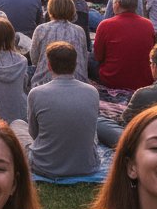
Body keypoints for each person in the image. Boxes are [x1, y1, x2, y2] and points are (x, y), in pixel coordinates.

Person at [13, 42, 101, 179]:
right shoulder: (92, 92)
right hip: (87, 165)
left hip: (44, 166)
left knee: (16, 125)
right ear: (75, 64)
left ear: (49, 66)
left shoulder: (36, 93)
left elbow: (33, 134)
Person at [92, 0, 157, 91]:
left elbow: (98, 56)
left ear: (117, 4)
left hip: (112, 80)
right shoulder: (148, 25)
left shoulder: (105, 25)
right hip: (144, 81)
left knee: (89, 58)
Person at [30, 0, 90, 87]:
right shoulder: (79, 31)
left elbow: (34, 59)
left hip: (44, 82)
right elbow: (84, 58)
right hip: (78, 82)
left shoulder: (41, 29)